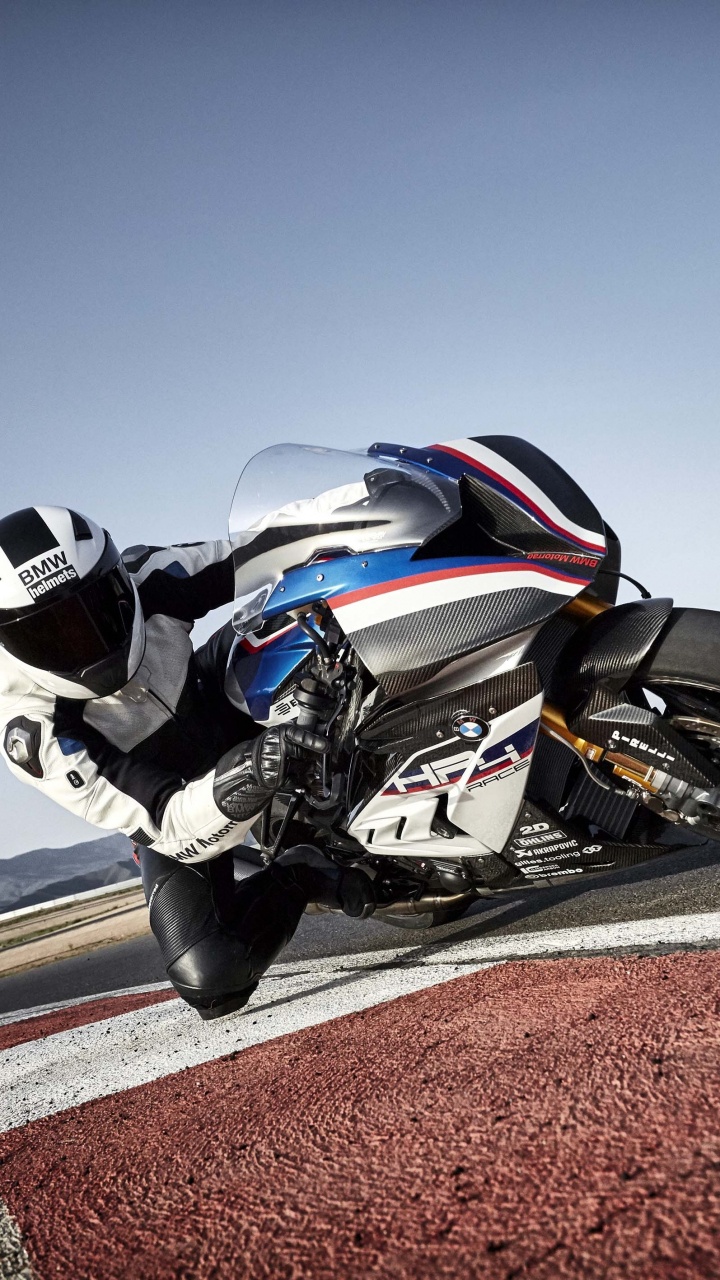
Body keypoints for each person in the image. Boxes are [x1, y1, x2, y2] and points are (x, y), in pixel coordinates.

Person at [0, 506, 373, 1019]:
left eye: (95, 610)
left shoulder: (149, 576)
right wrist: (250, 771)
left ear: (117, 580)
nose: (83, 641)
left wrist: (364, 511)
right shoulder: (33, 732)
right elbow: (167, 822)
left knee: (322, 605)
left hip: (216, 698)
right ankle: (301, 870)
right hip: (173, 808)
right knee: (211, 977)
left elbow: (263, 548)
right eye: (49, 635)